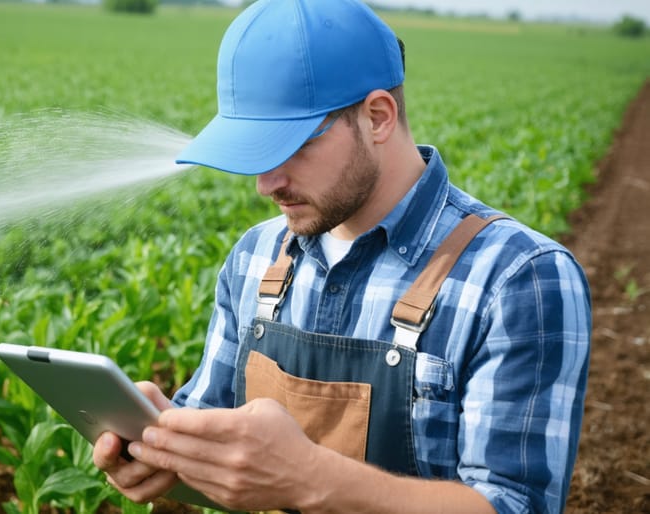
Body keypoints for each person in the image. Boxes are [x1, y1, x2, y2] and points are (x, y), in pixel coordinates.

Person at [93, 0, 592, 512]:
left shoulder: (516, 278)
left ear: (377, 116)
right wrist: (165, 447)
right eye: (255, 154)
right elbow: (218, 439)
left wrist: (309, 477)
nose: (268, 184)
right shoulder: (255, 257)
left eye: (291, 147)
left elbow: (515, 504)